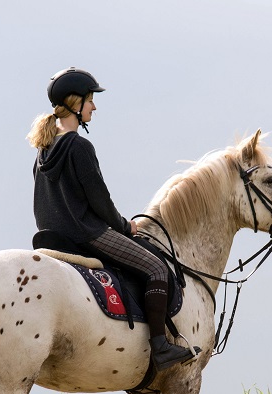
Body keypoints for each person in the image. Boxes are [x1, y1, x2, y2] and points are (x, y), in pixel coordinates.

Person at [27, 67, 198, 371]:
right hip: (86, 234)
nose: (94, 106)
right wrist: (124, 226)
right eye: (90, 100)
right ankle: (160, 347)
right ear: (74, 103)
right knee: (157, 268)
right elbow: (100, 201)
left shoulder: (43, 152)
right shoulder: (79, 146)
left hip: (52, 236)